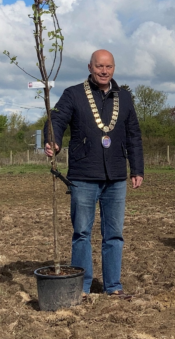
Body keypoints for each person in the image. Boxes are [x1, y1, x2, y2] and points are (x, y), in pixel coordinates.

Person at [45, 49, 144, 297]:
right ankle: (83, 287)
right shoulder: (73, 94)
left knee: (114, 234)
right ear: (90, 67)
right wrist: (53, 141)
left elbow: (134, 135)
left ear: (114, 69)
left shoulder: (125, 97)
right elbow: (55, 120)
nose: (103, 71)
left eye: (108, 67)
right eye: (99, 66)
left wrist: (137, 168)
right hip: (83, 176)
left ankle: (113, 286)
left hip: (116, 177)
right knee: (81, 234)